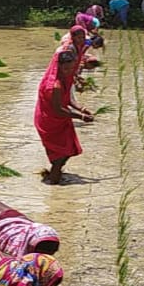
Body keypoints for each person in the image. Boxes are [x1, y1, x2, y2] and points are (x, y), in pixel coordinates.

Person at [34, 48, 94, 185]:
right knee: (61, 156)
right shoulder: (56, 84)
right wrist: (81, 117)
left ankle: (53, 176)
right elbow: (59, 109)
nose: (68, 71)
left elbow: (67, 99)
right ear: (59, 66)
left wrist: (81, 108)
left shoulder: (65, 78)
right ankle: (54, 189)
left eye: (71, 68)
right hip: (50, 121)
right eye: (66, 68)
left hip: (59, 120)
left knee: (67, 151)